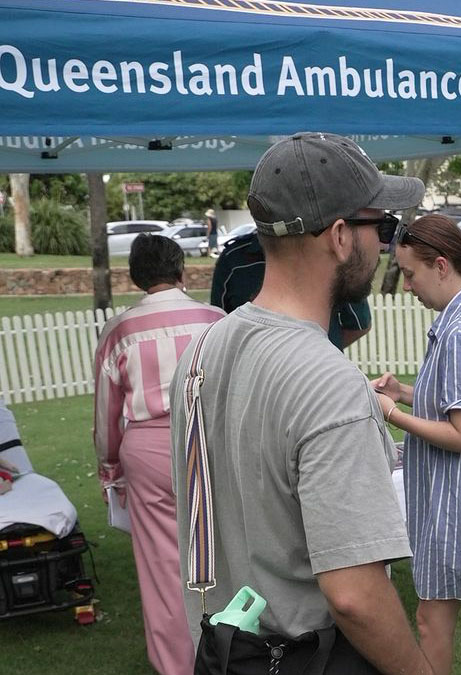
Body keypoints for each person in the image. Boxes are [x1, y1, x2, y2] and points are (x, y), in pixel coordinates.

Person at [169, 133, 432, 674]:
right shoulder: (330, 384)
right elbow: (354, 595)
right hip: (306, 657)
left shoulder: (200, 351)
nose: (385, 244)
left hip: (223, 654)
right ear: (340, 236)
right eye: (381, 226)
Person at [370, 214, 461, 675]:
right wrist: (404, 393)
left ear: (442, 266)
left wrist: (393, 415)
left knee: (434, 622)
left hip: (460, 498)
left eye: (411, 274)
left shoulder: (460, 330)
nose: (408, 286)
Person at [93, 234, 224, 675]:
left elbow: (106, 416)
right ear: (180, 270)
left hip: (147, 451)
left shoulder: (120, 330)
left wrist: (110, 471)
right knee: (224, 550)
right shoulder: (216, 320)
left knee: (163, 567)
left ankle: (177, 666)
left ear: (136, 276)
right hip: (210, 440)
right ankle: (233, 651)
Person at [210, 231, 373, 350]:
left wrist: (316, 351)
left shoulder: (327, 254)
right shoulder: (234, 259)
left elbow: (359, 324)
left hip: (319, 373)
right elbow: (219, 327)